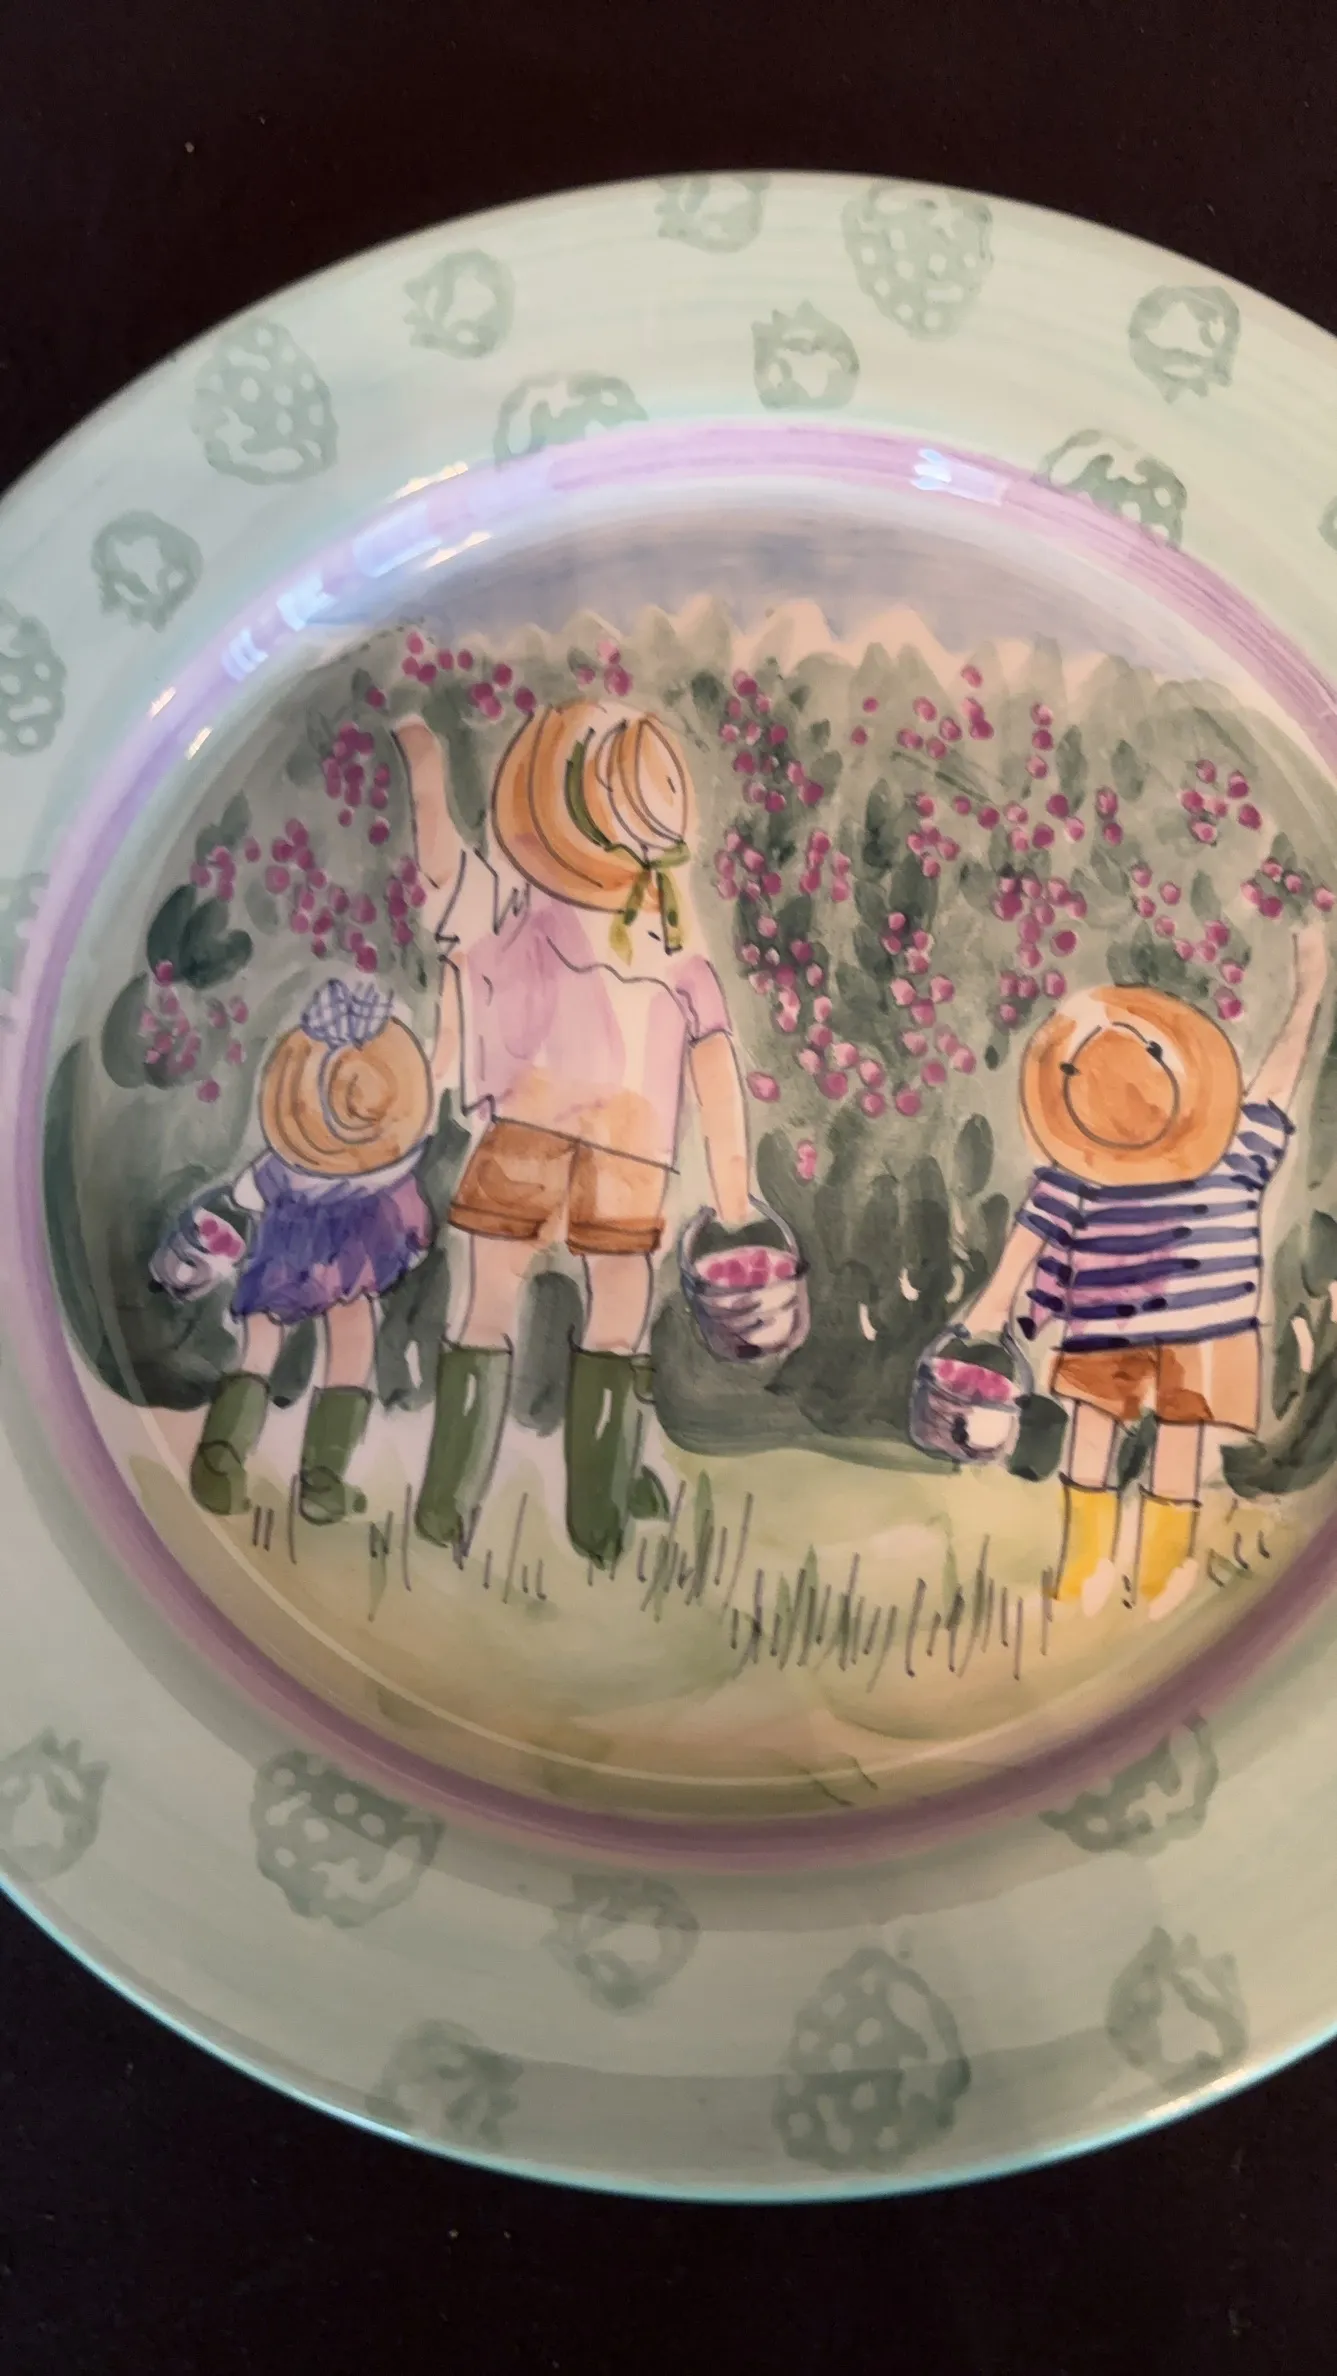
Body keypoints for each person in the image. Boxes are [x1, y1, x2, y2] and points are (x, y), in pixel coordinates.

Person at [392, 699, 754, 1570]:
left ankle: (484, 1504)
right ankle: (575, 1509)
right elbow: (711, 1060)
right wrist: (735, 1198)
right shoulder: (641, 931)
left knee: (509, 1307)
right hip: (601, 1146)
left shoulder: (551, 913)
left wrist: (424, 763)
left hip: (568, 1139)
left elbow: (442, 870)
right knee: (583, 1316)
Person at [966, 923, 1328, 1609]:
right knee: (1156, 1447)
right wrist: (1307, 997)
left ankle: (1102, 1575)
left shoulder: (1087, 1167)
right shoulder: (1228, 1147)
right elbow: (1277, 1084)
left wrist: (993, 1304)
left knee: (1121, 1443)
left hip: (1133, 1327)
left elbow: (1034, 1229)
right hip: (1191, 1329)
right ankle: (1121, 1576)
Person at [151, 978, 434, 1523]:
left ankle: (219, 1457)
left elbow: (245, 1195)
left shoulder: (284, 1166)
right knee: (352, 1343)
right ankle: (323, 1479)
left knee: (260, 1346)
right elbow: (410, 1217)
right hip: (353, 1262)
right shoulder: (388, 1172)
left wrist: (213, 1227)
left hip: (283, 1256)